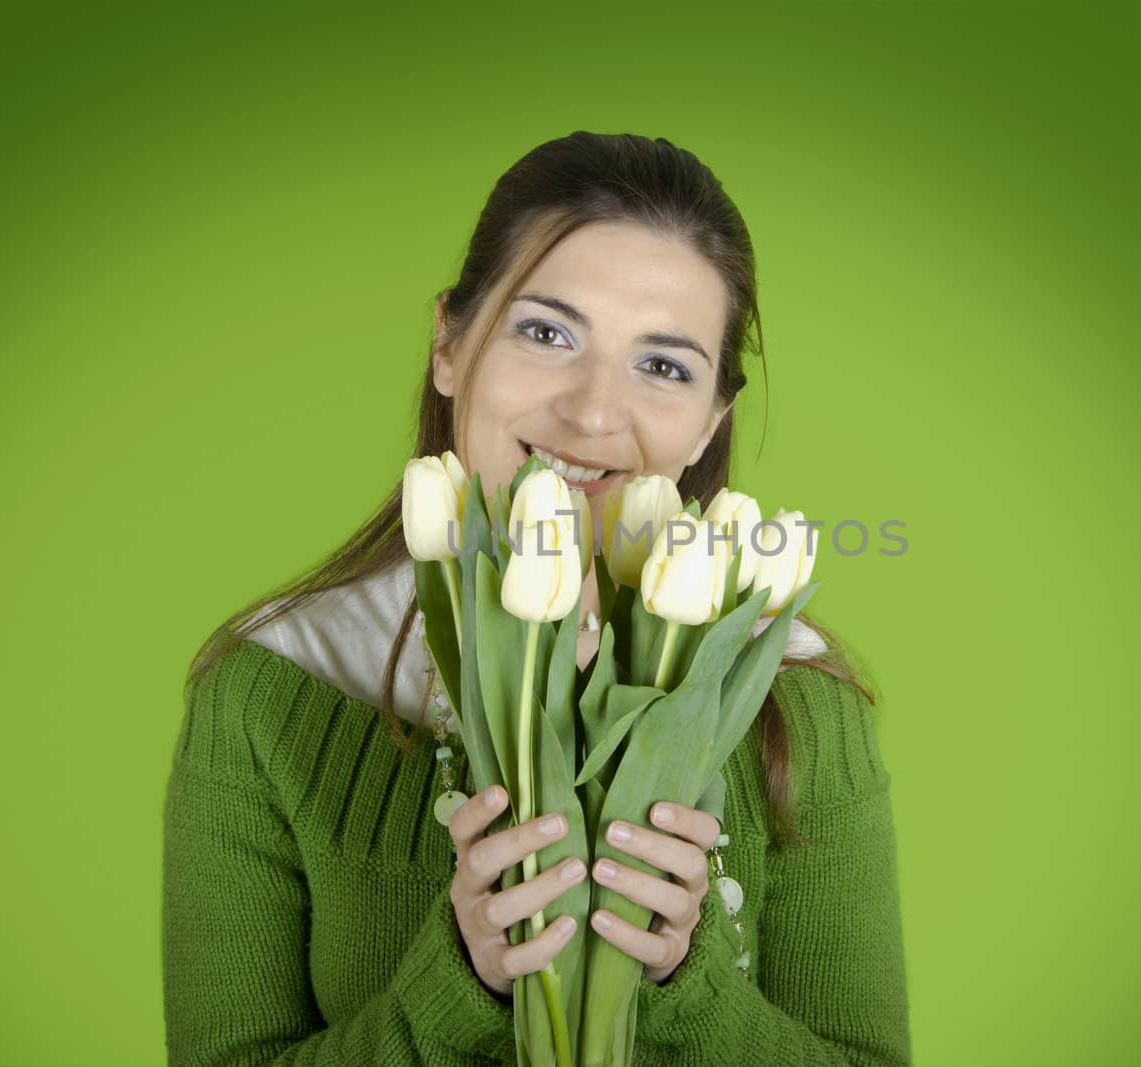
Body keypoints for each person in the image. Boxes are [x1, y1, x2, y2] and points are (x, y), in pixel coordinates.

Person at [163, 131, 911, 1066]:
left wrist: (689, 982)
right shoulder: (272, 691)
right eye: (547, 332)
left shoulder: (800, 699)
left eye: (664, 365)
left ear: (711, 417)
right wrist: (460, 984)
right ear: (448, 341)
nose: (594, 412)